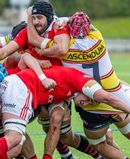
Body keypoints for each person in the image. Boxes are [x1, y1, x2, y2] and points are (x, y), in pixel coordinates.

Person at [0, 53, 130, 159]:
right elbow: (108, 97)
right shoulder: (81, 80)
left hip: (12, 89)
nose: (87, 102)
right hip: (20, 88)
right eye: (90, 99)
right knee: (14, 138)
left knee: (13, 143)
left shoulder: (73, 93)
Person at [27, 10, 130, 158]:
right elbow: (82, 21)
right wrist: (67, 19)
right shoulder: (97, 36)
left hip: (91, 105)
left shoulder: (63, 48)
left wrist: (31, 18)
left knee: (99, 144)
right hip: (116, 96)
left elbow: (34, 39)